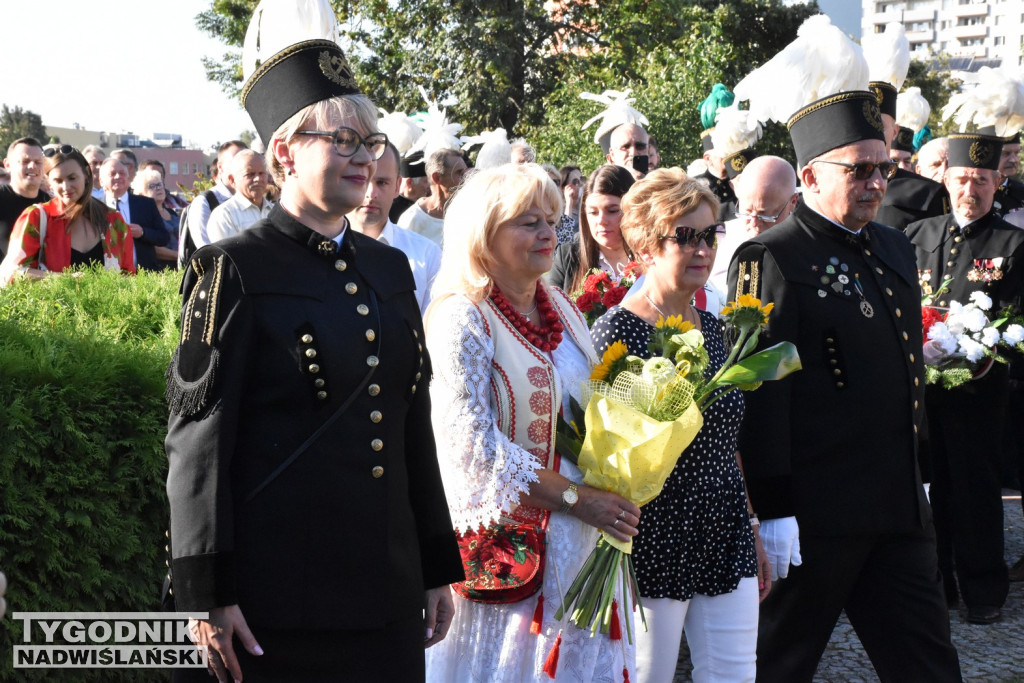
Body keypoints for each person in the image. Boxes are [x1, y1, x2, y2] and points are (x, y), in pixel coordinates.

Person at [165, 38, 463, 683]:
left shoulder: (389, 267)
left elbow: (411, 422)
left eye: (373, 142)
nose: (366, 159)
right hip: (275, 600)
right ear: (284, 152)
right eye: (345, 141)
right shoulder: (231, 269)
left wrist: (438, 565)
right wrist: (207, 592)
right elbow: (198, 443)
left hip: (385, 589)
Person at [728, 88, 962, 682]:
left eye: (882, 167)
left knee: (929, 664)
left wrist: (923, 469)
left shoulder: (891, 245)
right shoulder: (771, 256)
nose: (876, 183)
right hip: (816, 515)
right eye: (858, 169)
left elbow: (907, 370)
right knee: (777, 666)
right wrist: (772, 511)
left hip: (896, 507)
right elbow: (761, 392)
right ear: (810, 174)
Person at [423, 162, 640, 682]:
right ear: (484, 235)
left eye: (551, 219)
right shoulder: (463, 318)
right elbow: (473, 450)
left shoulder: (562, 307)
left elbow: (597, 407)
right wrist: (575, 498)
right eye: (528, 222)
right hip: (511, 552)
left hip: (584, 539)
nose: (548, 233)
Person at [592, 168, 770, 683]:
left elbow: (728, 442)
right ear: (646, 245)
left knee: (735, 674)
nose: (702, 249)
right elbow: (611, 455)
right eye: (684, 236)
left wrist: (754, 525)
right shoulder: (617, 332)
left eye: (709, 235)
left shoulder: (716, 330)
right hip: (651, 533)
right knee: (647, 675)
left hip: (724, 524)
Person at [905, 130, 1024, 625]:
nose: (969, 191)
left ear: (998, 182)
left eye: (980, 180)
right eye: (960, 180)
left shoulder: (1014, 244)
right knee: (929, 490)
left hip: (981, 389)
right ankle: (939, 585)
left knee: (974, 490)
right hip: (922, 392)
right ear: (946, 180)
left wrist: (987, 349)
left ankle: (983, 591)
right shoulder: (916, 236)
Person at [0, 147, 134, 284]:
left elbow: (129, 277)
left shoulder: (114, 221)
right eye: (58, 180)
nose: (66, 186)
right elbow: (11, 273)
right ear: (49, 184)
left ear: (87, 175)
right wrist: (65, 279)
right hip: (51, 305)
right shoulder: (36, 217)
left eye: (72, 178)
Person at [347, 142, 441, 315]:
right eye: (362, 180)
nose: (371, 193)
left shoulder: (426, 255)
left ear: (398, 186)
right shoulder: (319, 250)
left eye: (382, 182)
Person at [710, 155, 797, 295]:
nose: (754, 223)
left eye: (765, 215)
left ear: (793, 202)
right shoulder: (719, 239)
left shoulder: (807, 242)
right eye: (747, 211)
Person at [547, 165, 634, 295]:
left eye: (612, 211)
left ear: (632, 210)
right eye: (593, 212)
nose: (601, 220)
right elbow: (550, 308)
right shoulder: (567, 256)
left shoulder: (652, 257)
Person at [179, 140, 247, 261]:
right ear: (220, 167)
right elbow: (206, 250)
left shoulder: (254, 200)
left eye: (245, 161)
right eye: (235, 161)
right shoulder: (205, 202)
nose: (241, 167)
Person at [100, 158, 169, 270]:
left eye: (122, 173)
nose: (118, 177)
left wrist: (142, 232)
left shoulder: (146, 204)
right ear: (101, 180)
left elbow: (163, 237)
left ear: (128, 178)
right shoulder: (95, 207)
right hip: (106, 276)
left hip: (143, 275)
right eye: (112, 174)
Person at [397, 147, 467, 247]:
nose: (466, 178)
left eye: (465, 172)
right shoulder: (413, 220)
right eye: (459, 173)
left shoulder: (466, 213)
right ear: (437, 178)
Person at [205, 150, 273, 242]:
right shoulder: (224, 216)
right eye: (250, 174)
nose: (258, 179)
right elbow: (227, 254)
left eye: (262, 173)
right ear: (232, 180)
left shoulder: (275, 212)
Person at [0, 137, 49, 258]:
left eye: (38, 162)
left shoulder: (51, 205)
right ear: (7, 165)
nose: (32, 166)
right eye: (25, 161)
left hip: (43, 276)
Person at [132, 167, 179, 269]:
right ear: (140, 193)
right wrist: (179, 256)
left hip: (180, 265)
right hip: (161, 268)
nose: (158, 188)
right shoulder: (141, 216)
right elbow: (152, 247)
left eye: (159, 184)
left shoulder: (172, 212)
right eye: (151, 186)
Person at [994, 131, 1024, 217]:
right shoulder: (976, 192)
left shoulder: (1021, 191)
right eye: (1006, 154)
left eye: (1016, 153)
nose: (1014, 160)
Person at [556, 164, 582, 245]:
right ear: (564, 187)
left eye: (582, 179)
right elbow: (565, 236)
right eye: (575, 182)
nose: (580, 184)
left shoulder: (586, 207)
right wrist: (569, 202)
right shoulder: (558, 211)